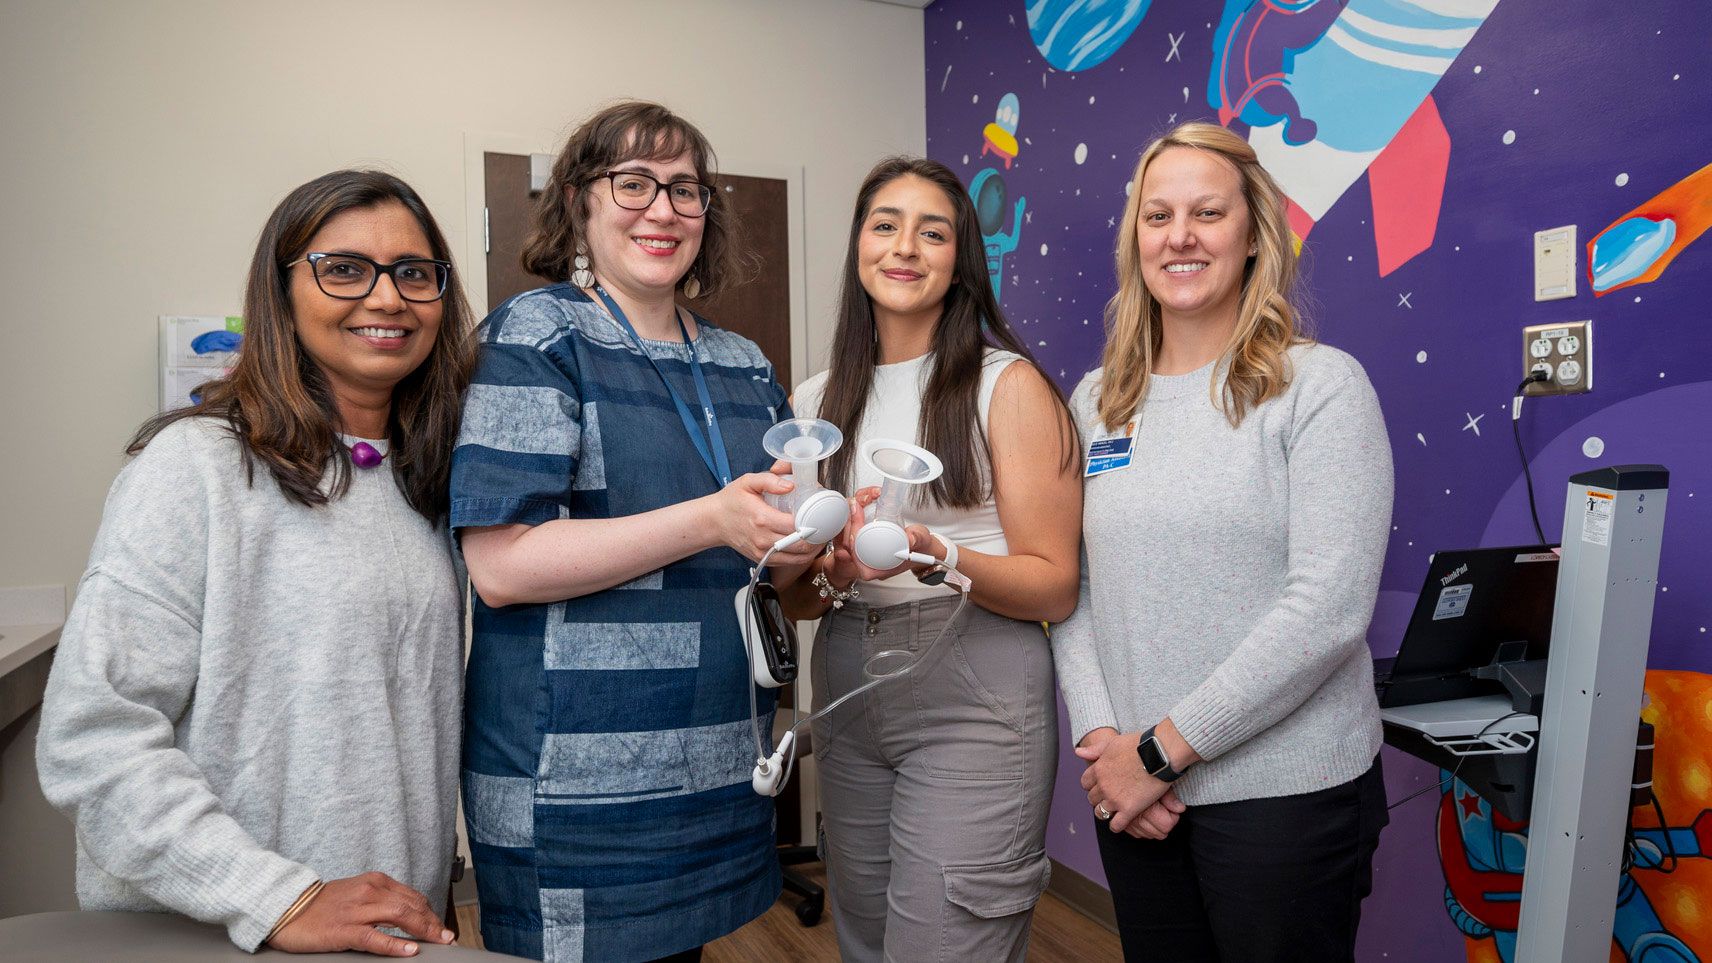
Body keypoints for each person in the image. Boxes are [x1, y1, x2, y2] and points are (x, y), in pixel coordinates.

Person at [36, 170, 476, 956]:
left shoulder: (425, 485)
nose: (387, 298)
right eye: (344, 268)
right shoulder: (195, 467)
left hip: (380, 927)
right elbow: (92, 737)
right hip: (215, 931)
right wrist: (278, 896)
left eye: (415, 273)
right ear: (281, 291)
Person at [451, 101, 814, 963]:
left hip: (715, 766)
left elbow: (766, 564)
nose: (663, 209)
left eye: (685, 189)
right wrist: (712, 517)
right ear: (580, 200)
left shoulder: (743, 362)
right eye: (634, 183)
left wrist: (810, 545)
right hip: (575, 787)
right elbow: (501, 564)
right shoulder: (536, 335)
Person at [1053, 120, 1395, 963]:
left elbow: (1327, 609)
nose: (1181, 236)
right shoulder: (1097, 401)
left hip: (1286, 793)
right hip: (1136, 792)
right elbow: (1071, 584)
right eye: (1157, 215)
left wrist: (1162, 752)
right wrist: (1106, 743)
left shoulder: (1320, 388)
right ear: (1135, 240)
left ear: (1253, 235)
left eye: (1207, 212)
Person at [777, 156, 1081, 962]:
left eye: (932, 231)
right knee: (867, 938)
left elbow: (1055, 581)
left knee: (946, 941)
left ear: (959, 260)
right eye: (885, 224)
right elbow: (801, 600)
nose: (905, 246)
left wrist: (937, 553)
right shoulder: (813, 400)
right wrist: (831, 571)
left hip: (972, 676)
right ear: (858, 246)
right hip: (845, 671)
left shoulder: (1006, 385)